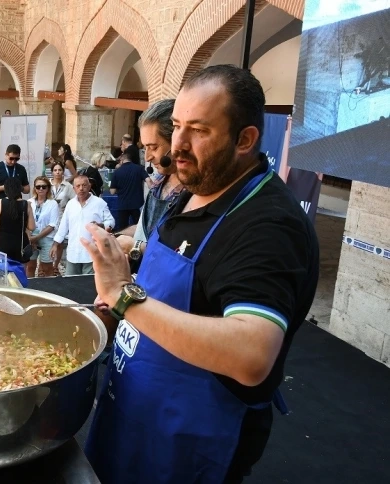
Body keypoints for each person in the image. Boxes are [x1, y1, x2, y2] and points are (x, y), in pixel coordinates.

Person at [81, 65, 320, 483]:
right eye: (176, 127)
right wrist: (111, 312)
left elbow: (251, 354)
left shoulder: (268, 224)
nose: (177, 146)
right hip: (132, 413)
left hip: (186, 443)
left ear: (245, 139)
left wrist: (125, 297)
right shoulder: (192, 190)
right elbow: (168, 298)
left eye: (199, 130)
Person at [115, 99, 185, 262]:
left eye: (153, 148)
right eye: (145, 147)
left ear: (176, 143)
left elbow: (181, 255)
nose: (147, 157)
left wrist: (136, 247)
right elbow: (146, 229)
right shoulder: (159, 181)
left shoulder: (194, 194)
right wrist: (115, 237)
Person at [50, 174, 114, 276]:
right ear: (74, 188)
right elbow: (63, 227)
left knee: (88, 284)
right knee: (71, 285)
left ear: (89, 186)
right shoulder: (70, 204)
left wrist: (102, 225)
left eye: (84, 185)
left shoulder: (99, 203)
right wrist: (55, 244)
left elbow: (110, 221)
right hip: (73, 253)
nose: (81, 189)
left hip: (92, 253)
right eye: (78, 186)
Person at [0, 177, 35, 264]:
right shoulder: (26, 204)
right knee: (21, 270)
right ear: (20, 189)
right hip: (21, 243)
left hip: (3, 242)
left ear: (6, 189)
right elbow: (31, 227)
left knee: (3, 269)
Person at [109, 144, 148, 231]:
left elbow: (112, 191)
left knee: (123, 229)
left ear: (122, 160)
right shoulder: (139, 169)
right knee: (139, 228)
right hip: (137, 204)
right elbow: (149, 182)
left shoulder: (117, 172)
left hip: (122, 205)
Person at [25, 176, 59, 278]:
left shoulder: (53, 204)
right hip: (31, 237)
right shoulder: (29, 202)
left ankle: (49, 290)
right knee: (30, 266)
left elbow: (52, 225)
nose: (41, 189)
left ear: (48, 188)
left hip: (46, 237)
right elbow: (25, 222)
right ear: (34, 188)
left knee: (47, 267)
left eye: (43, 187)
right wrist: (30, 238)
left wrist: (37, 238)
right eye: (38, 186)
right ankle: (30, 289)